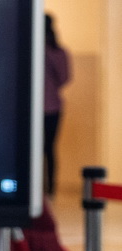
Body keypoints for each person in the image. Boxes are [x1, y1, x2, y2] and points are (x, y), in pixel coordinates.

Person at [43, 12, 72, 198]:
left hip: (52, 108)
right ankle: (38, 188)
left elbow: (64, 78)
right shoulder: (30, 49)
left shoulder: (58, 52)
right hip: (36, 109)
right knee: (37, 149)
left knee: (49, 148)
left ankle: (51, 189)